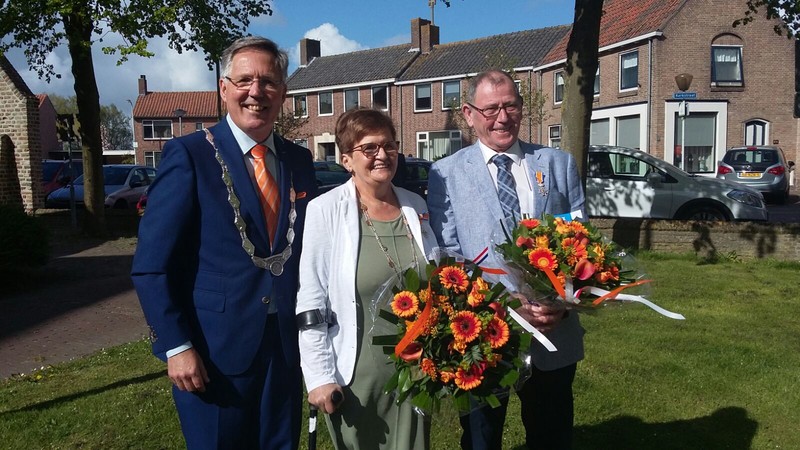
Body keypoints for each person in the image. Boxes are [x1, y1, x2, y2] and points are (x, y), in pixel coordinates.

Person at [131, 36, 317, 449]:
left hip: (286, 349)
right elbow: (151, 265)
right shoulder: (189, 155)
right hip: (214, 350)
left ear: (283, 93)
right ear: (224, 88)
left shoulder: (299, 161)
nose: (256, 92)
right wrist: (176, 345)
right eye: (245, 80)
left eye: (268, 82)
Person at [427, 70, 587, 450]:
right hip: (485, 335)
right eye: (491, 109)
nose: (503, 117)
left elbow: (580, 242)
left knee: (552, 436)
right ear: (468, 114)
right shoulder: (445, 174)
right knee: (481, 438)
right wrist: (503, 305)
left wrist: (562, 303)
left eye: (511, 105)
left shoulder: (557, 164)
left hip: (554, 330)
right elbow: (446, 255)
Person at [296, 107, 439, 450]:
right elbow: (310, 298)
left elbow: (436, 275)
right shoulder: (326, 209)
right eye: (369, 148)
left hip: (417, 368)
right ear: (346, 160)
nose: (382, 155)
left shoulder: (414, 205)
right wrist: (318, 377)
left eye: (389, 146)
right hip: (356, 373)